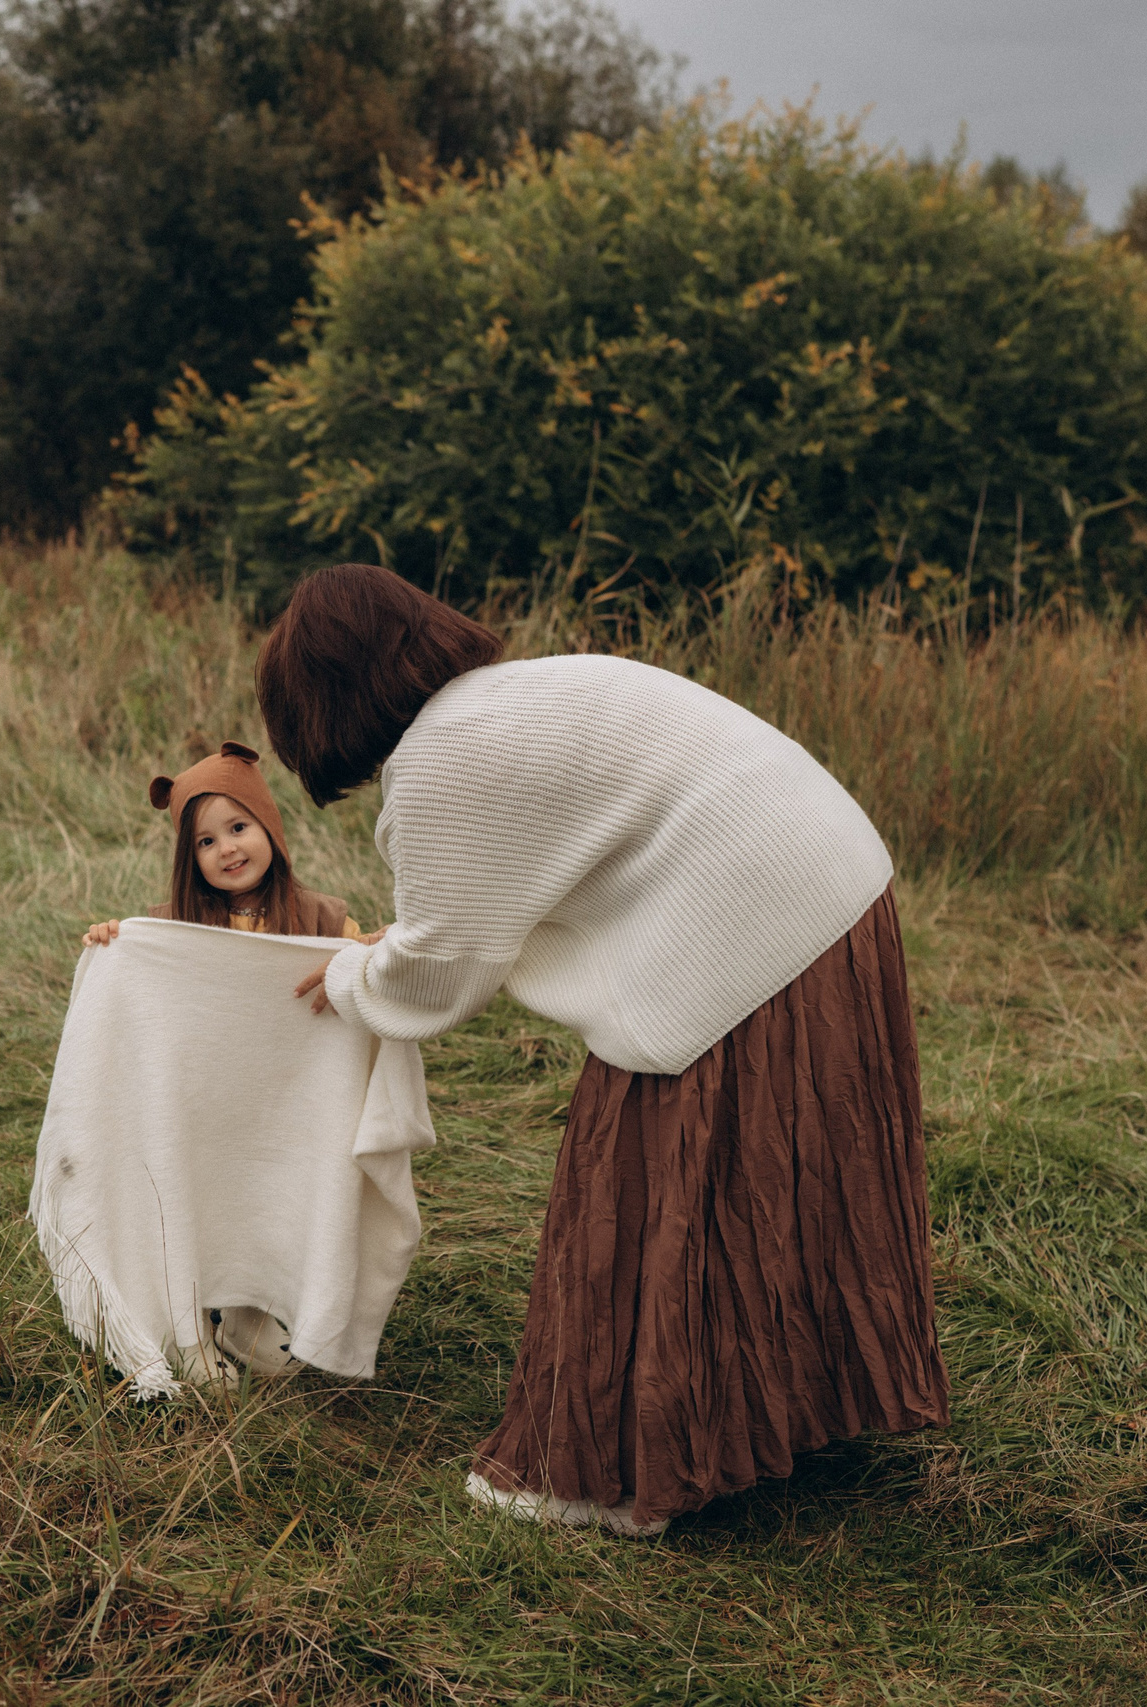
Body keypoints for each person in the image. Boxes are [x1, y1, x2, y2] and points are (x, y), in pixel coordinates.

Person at [259, 563, 948, 1537]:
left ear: (322, 701)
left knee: (641, 1178)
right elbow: (499, 898)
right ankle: (787, 1412)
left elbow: (443, 975)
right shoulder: (526, 690)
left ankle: (612, 1472)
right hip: (833, 893)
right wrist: (403, 946)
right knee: (771, 1176)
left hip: (752, 925)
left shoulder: (439, 756)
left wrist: (344, 980)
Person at [82, 740, 373, 947]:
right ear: (191, 859)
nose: (226, 849)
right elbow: (141, 980)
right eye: (206, 841)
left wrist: (376, 949)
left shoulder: (320, 919)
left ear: (268, 825)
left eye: (238, 827)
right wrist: (112, 941)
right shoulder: (175, 924)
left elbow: (364, 974)